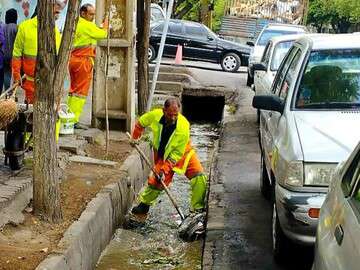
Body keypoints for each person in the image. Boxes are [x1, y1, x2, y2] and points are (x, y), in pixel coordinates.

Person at [130, 98, 207, 217]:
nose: (172, 118)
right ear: (163, 110)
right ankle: (144, 205)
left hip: (183, 154)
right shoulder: (155, 115)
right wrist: (135, 137)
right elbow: (141, 122)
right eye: (170, 114)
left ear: (179, 112)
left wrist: (164, 169)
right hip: (162, 155)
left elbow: (176, 154)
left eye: (175, 115)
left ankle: (197, 210)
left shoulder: (183, 127)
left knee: (199, 176)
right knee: (156, 181)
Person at [12, 1, 64, 104]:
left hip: (50, 81)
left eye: (58, 12)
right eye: (55, 10)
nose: (57, 12)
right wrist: (16, 74)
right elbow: (16, 53)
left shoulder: (55, 30)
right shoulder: (25, 27)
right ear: (43, 9)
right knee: (31, 111)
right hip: (31, 81)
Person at [67, 3, 108, 129]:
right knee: (80, 93)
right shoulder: (85, 25)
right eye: (91, 14)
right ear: (83, 13)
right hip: (82, 62)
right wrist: (106, 23)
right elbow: (103, 34)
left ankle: (68, 117)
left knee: (73, 92)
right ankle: (73, 120)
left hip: (73, 60)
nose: (93, 17)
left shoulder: (75, 23)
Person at [3, 9, 18, 91]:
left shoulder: (3, 27)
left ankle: (7, 92)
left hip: (5, 55)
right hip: (15, 55)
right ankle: (13, 93)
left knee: (6, 73)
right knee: (15, 74)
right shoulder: (17, 27)